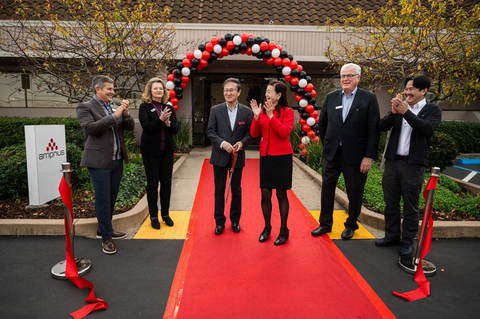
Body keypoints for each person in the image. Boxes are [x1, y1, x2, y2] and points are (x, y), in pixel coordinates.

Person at [311, 63, 380, 240]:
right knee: (327, 190)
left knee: (354, 192)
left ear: (358, 78)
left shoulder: (369, 99)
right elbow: (323, 124)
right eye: (343, 76)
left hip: (356, 156)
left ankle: (351, 224)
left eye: (350, 75)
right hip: (332, 154)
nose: (345, 79)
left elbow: (374, 130)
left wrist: (368, 157)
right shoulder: (331, 97)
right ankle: (325, 224)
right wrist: (327, 145)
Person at [376, 75, 441, 257]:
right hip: (392, 162)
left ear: (424, 91)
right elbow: (381, 126)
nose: (407, 92)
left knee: (410, 206)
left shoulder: (432, 110)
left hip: (413, 165)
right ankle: (392, 236)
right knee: (390, 202)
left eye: (411, 89)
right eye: (406, 88)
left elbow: (426, 128)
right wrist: (393, 113)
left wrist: (406, 112)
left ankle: (407, 242)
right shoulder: (399, 108)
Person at [76, 75, 135, 254]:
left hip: (116, 160)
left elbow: (130, 127)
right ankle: (106, 238)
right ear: (98, 89)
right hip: (99, 162)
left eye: (113, 88)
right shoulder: (85, 107)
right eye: (109, 89)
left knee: (111, 197)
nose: (113, 92)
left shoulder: (113, 107)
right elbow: (91, 129)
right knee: (103, 199)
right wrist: (115, 114)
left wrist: (125, 115)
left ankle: (104, 228)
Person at [250, 80, 294, 245]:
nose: (266, 95)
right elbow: (254, 134)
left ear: (279, 95)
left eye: (270, 92)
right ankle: (267, 227)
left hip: (282, 157)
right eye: (266, 92)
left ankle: (284, 230)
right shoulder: (261, 112)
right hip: (266, 157)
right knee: (265, 194)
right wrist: (256, 117)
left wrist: (270, 117)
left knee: (281, 194)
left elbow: (284, 133)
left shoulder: (287, 112)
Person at [206, 78, 253, 235]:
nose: (228, 93)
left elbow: (249, 134)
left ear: (239, 92)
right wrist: (222, 143)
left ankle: (235, 221)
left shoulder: (246, 112)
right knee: (219, 191)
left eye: (232, 90)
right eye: (226, 90)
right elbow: (210, 131)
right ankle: (219, 222)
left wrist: (242, 143)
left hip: (237, 158)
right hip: (219, 156)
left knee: (236, 190)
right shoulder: (215, 110)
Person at [139, 77, 179, 229]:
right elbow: (147, 127)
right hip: (151, 153)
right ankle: (154, 216)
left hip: (167, 152)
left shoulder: (168, 107)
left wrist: (168, 124)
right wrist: (160, 120)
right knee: (152, 184)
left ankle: (166, 214)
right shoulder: (145, 107)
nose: (159, 91)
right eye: (156, 88)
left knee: (167, 184)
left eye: (161, 88)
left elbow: (176, 129)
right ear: (150, 91)